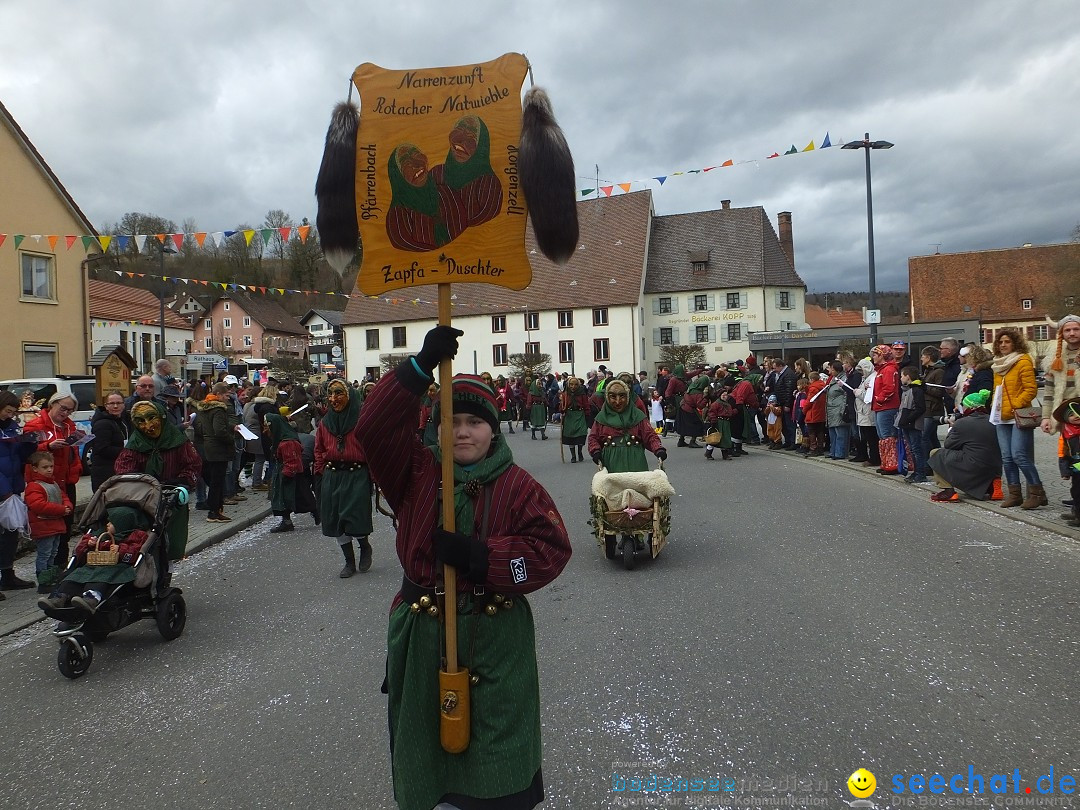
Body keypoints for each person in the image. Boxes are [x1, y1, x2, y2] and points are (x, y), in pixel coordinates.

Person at [355, 325, 572, 810]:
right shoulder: (412, 472)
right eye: (451, 420)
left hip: (497, 642)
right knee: (426, 751)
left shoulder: (519, 486)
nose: (463, 431)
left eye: (475, 421)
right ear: (436, 427)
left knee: (498, 762)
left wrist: (482, 559)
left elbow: (551, 551)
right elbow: (371, 430)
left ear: (493, 427)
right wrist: (418, 367)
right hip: (424, 632)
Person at [37, 506, 150, 617]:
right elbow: (81, 550)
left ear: (122, 524)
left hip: (117, 566)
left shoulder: (135, 536)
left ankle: (91, 599)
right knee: (76, 575)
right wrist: (88, 544)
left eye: (111, 523)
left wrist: (120, 550)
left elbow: (135, 552)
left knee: (102, 576)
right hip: (93, 564)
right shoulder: (101, 534)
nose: (107, 524)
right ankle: (59, 596)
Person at [313, 379, 374, 578]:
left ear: (349, 395)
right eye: (330, 394)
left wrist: (374, 476)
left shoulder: (362, 420)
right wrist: (322, 472)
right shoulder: (325, 423)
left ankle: (364, 546)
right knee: (336, 520)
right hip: (332, 476)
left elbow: (373, 449)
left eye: (338, 393)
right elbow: (319, 449)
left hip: (356, 475)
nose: (333, 399)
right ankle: (349, 561)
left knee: (355, 518)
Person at [22, 392, 83, 569]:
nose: (65, 413)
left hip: (66, 482)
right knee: (49, 528)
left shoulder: (69, 426)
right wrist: (48, 446)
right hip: (44, 485)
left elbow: (73, 455)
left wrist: (75, 470)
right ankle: (48, 570)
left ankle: (61, 566)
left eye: (70, 410)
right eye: (63, 408)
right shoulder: (35, 425)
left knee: (66, 526)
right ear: (52, 403)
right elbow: (26, 453)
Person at [991, 328, 1044, 509]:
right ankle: (1015, 494)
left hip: (1018, 415)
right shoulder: (998, 364)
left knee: (1019, 455)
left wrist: (1015, 404)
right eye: (1000, 342)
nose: (1003, 345)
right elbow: (996, 391)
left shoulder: (1022, 361)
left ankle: (1037, 493)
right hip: (1000, 416)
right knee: (1006, 457)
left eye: (1007, 342)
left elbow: (1031, 389)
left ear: (1015, 343)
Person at [385, 143, 468, 252]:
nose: (416, 164)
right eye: (405, 162)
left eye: (416, 154)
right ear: (398, 175)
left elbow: (464, 234)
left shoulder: (447, 194)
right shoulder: (397, 215)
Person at [927, 391, 1002, 502]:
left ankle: (948, 492)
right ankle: (993, 485)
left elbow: (948, 445)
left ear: (968, 407)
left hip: (973, 465)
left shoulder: (963, 423)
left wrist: (952, 428)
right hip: (994, 467)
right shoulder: (993, 421)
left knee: (935, 453)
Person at [0, 391, 37, 597]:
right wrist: (4, 490)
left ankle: (7, 574)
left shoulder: (13, 427)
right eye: (7, 411)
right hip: (3, 489)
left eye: (13, 412)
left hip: (12, 486)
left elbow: (19, 458)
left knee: (11, 532)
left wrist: (29, 444)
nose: (10, 415)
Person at [1041, 314, 1080, 509]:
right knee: (1073, 459)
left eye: (1076, 329)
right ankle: (1077, 503)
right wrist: (1047, 417)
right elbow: (1048, 392)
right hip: (1067, 417)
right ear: (1061, 334)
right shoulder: (1054, 359)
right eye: (1068, 330)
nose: (1072, 333)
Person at [588, 379, 666, 472]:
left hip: (635, 461)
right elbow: (593, 438)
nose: (618, 401)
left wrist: (658, 449)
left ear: (628, 396)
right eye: (613, 396)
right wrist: (595, 450)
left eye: (622, 396)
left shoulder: (637, 416)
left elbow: (649, 435)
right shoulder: (601, 418)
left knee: (637, 485)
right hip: (611, 462)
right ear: (607, 398)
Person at [23, 450, 73, 593]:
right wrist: (61, 509)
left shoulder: (53, 483)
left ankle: (51, 577)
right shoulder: (34, 486)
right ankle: (44, 581)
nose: (50, 470)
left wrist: (68, 506)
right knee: (44, 553)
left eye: (51, 466)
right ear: (35, 468)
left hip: (55, 524)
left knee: (53, 552)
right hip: (43, 525)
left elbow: (63, 496)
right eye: (45, 467)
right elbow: (38, 505)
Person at [265, 413, 318, 533]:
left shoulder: (288, 441)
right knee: (293, 497)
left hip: (289, 474)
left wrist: (286, 474)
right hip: (285, 472)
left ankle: (291, 520)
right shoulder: (280, 438)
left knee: (291, 497)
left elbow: (292, 460)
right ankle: (287, 520)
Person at [193, 383, 236, 523]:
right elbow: (219, 430)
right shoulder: (218, 409)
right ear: (218, 395)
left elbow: (203, 427)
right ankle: (214, 512)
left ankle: (214, 509)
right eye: (226, 395)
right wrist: (231, 439)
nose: (227, 399)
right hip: (218, 449)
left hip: (207, 447)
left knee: (213, 480)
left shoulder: (204, 408)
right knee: (217, 481)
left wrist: (231, 426)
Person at [89, 389, 131, 492]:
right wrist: (127, 451)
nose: (115, 406)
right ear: (106, 405)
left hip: (121, 469)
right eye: (112, 403)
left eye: (118, 403)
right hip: (106, 472)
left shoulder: (124, 421)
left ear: (124, 405)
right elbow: (102, 449)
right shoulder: (102, 424)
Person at [869, 345, 901, 475]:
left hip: (887, 407)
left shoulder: (888, 370)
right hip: (880, 407)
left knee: (887, 436)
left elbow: (889, 389)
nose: (873, 358)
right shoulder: (881, 370)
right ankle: (886, 463)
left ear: (882, 355)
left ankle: (892, 464)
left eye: (875, 355)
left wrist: (879, 398)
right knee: (882, 436)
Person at [896, 365, 928, 484]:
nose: (900, 378)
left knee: (916, 448)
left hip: (913, 424)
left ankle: (921, 473)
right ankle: (916, 471)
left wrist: (908, 419)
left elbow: (920, 408)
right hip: (907, 423)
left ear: (908, 377)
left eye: (902, 376)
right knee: (912, 449)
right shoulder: (908, 390)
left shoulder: (916, 390)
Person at [1052, 397, 1080, 525]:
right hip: (1076, 468)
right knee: (1076, 491)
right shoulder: (1066, 433)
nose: (1076, 416)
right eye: (1071, 414)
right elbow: (1063, 453)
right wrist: (1065, 471)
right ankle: (1076, 512)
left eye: (1077, 413)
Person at [851, 357, 879, 466]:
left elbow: (868, 396)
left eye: (862, 370)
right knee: (868, 437)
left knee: (872, 438)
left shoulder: (872, 378)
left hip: (868, 412)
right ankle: (872, 457)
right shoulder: (865, 378)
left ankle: (874, 458)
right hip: (863, 412)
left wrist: (858, 393)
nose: (861, 373)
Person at [560, 376, 590, 463]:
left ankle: (580, 452)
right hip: (569, 415)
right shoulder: (565, 394)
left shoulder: (582, 394)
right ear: (568, 385)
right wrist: (562, 404)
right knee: (570, 435)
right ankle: (573, 456)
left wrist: (587, 415)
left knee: (581, 433)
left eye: (576, 384)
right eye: (571, 384)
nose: (573, 386)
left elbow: (586, 405)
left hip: (580, 414)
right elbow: (562, 409)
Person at [825, 361, 850, 461]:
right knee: (833, 432)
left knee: (840, 432)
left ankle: (840, 452)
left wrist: (843, 409)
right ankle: (833, 451)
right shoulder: (833, 379)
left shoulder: (843, 378)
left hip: (838, 408)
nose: (829, 370)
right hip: (832, 409)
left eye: (830, 368)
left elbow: (845, 394)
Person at [803, 371, 827, 457]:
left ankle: (813, 448)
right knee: (820, 431)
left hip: (813, 412)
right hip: (821, 413)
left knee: (812, 431)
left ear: (812, 379)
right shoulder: (823, 387)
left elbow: (809, 401)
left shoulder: (813, 388)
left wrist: (804, 410)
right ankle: (820, 447)